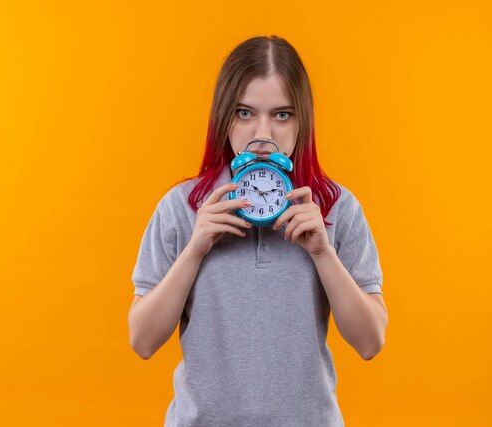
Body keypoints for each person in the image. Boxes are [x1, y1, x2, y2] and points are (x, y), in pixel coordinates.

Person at [128, 35, 388, 427]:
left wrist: (322, 253)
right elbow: (142, 342)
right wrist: (195, 250)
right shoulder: (182, 208)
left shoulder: (335, 208)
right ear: (222, 117)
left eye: (282, 114)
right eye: (244, 113)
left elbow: (370, 342)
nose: (261, 135)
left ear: (303, 120)